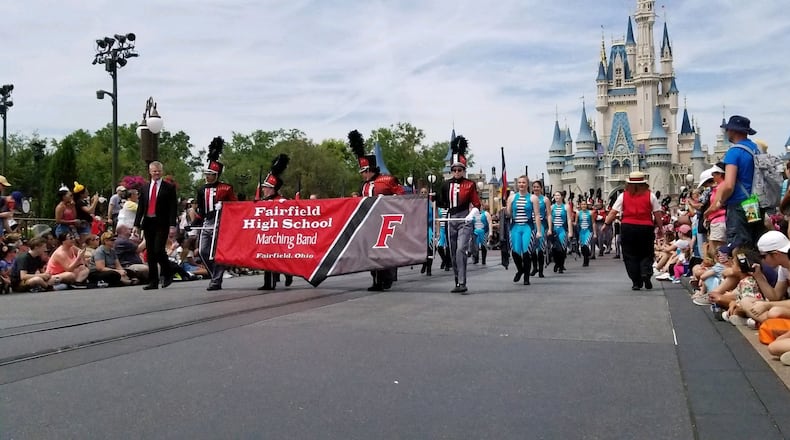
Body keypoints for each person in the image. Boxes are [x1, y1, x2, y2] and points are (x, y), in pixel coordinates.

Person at [349, 130, 405, 291]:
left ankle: (386, 277)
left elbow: (402, 196)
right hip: (369, 222)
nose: (362, 175)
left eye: (364, 171)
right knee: (371, 253)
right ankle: (375, 279)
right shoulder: (364, 186)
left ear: (370, 169)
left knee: (384, 252)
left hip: (386, 221)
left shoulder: (387, 180)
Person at [603, 171, 663, 290]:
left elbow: (613, 212)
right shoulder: (650, 195)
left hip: (628, 227)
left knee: (630, 254)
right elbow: (657, 213)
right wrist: (660, 227)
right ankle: (645, 273)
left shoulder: (623, 196)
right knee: (646, 252)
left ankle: (636, 281)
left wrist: (606, 224)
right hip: (646, 227)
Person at [437, 136, 481, 293]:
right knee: (453, 251)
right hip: (450, 219)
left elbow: (477, 204)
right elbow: (441, 202)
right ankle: (457, 280)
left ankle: (462, 282)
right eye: (454, 169)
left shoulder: (470, 184)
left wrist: (472, 214)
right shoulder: (444, 185)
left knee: (461, 249)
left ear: (464, 170)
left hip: (464, 218)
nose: (456, 172)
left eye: (460, 169)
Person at [193, 137, 238, 291]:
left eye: (211, 174)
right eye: (207, 173)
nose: (208, 176)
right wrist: (196, 221)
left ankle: (216, 280)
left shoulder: (226, 188)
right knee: (203, 251)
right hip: (207, 221)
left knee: (218, 252)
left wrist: (225, 206)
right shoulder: (201, 190)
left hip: (222, 223)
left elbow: (235, 206)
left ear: (217, 175)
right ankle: (216, 275)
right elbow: (200, 209)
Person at [712, 115, 763, 248]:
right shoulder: (756, 149)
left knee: (739, 247)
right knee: (753, 242)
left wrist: (720, 201)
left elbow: (729, 185)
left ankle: (742, 268)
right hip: (753, 202)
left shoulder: (734, 152)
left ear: (733, 131)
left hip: (738, 205)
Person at [134, 161, 178, 290]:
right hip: (148, 222)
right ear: (150, 172)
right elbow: (141, 207)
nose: (156, 173)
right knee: (151, 253)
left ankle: (168, 271)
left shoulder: (169, 187)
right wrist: (136, 224)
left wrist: (172, 225)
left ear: (162, 171)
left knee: (159, 250)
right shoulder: (145, 188)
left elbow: (173, 207)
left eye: (158, 170)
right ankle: (153, 281)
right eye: (154, 171)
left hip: (162, 223)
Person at [257, 154, 293, 291]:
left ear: (272, 188)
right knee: (267, 258)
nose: (263, 189)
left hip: (280, 234)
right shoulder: (263, 202)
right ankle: (270, 282)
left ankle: (279, 277)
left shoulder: (282, 201)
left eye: (266, 187)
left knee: (275, 258)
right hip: (266, 233)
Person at [505, 176, 541, 285]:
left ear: (527, 184)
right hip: (515, 227)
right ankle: (520, 270)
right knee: (515, 252)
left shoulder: (533, 198)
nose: (521, 184)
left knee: (526, 253)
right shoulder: (512, 197)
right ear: (517, 184)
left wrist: (539, 230)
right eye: (519, 182)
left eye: (524, 182)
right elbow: (509, 214)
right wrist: (506, 209)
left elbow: (537, 215)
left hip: (528, 227)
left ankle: (526, 277)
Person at [529, 181, 551, 278]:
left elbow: (549, 214)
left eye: (538, 187)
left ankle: (541, 270)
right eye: (534, 187)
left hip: (541, 224)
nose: (536, 188)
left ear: (541, 188)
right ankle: (535, 268)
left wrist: (550, 228)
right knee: (532, 248)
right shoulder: (529, 198)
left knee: (540, 248)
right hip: (530, 225)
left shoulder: (545, 200)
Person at [550, 191, 572, 273]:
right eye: (555, 195)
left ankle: (561, 265)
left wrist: (570, 232)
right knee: (555, 249)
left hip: (563, 230)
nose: (556, 197)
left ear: (562, 197)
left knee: (562, 249)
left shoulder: (566, 207)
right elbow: (549, 219)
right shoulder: (552, 207)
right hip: (554, 230)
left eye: (558, 195)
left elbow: (569, 219)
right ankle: (557, 263)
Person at [575, 200, 595, 267]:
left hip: (588, 231)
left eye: (585, 204)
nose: (584, 206)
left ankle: (586, 261)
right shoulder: (578, 213)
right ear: (580, 205)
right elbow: (576, 223)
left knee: (586, 245)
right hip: (581, 231)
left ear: (587, 205)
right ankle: (587, 254)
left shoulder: (590, 213)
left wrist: (595, 233)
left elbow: (593, 223)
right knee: (583, 247)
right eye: (582, 204)